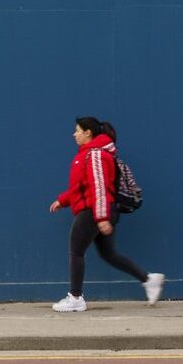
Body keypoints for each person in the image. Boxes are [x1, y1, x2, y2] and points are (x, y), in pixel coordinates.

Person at [49, 116, 163, 312]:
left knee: (76, 251)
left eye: (77, 130)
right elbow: (81, 187)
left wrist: (101, 217)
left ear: (88, 133)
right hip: (101, 209)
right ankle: (149, 280)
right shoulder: (91, 154)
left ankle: (75, 298)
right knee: (109, 254)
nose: (74, 134)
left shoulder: (95, 154)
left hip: (93, 211)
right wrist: (63, 200)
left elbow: (99, 187)